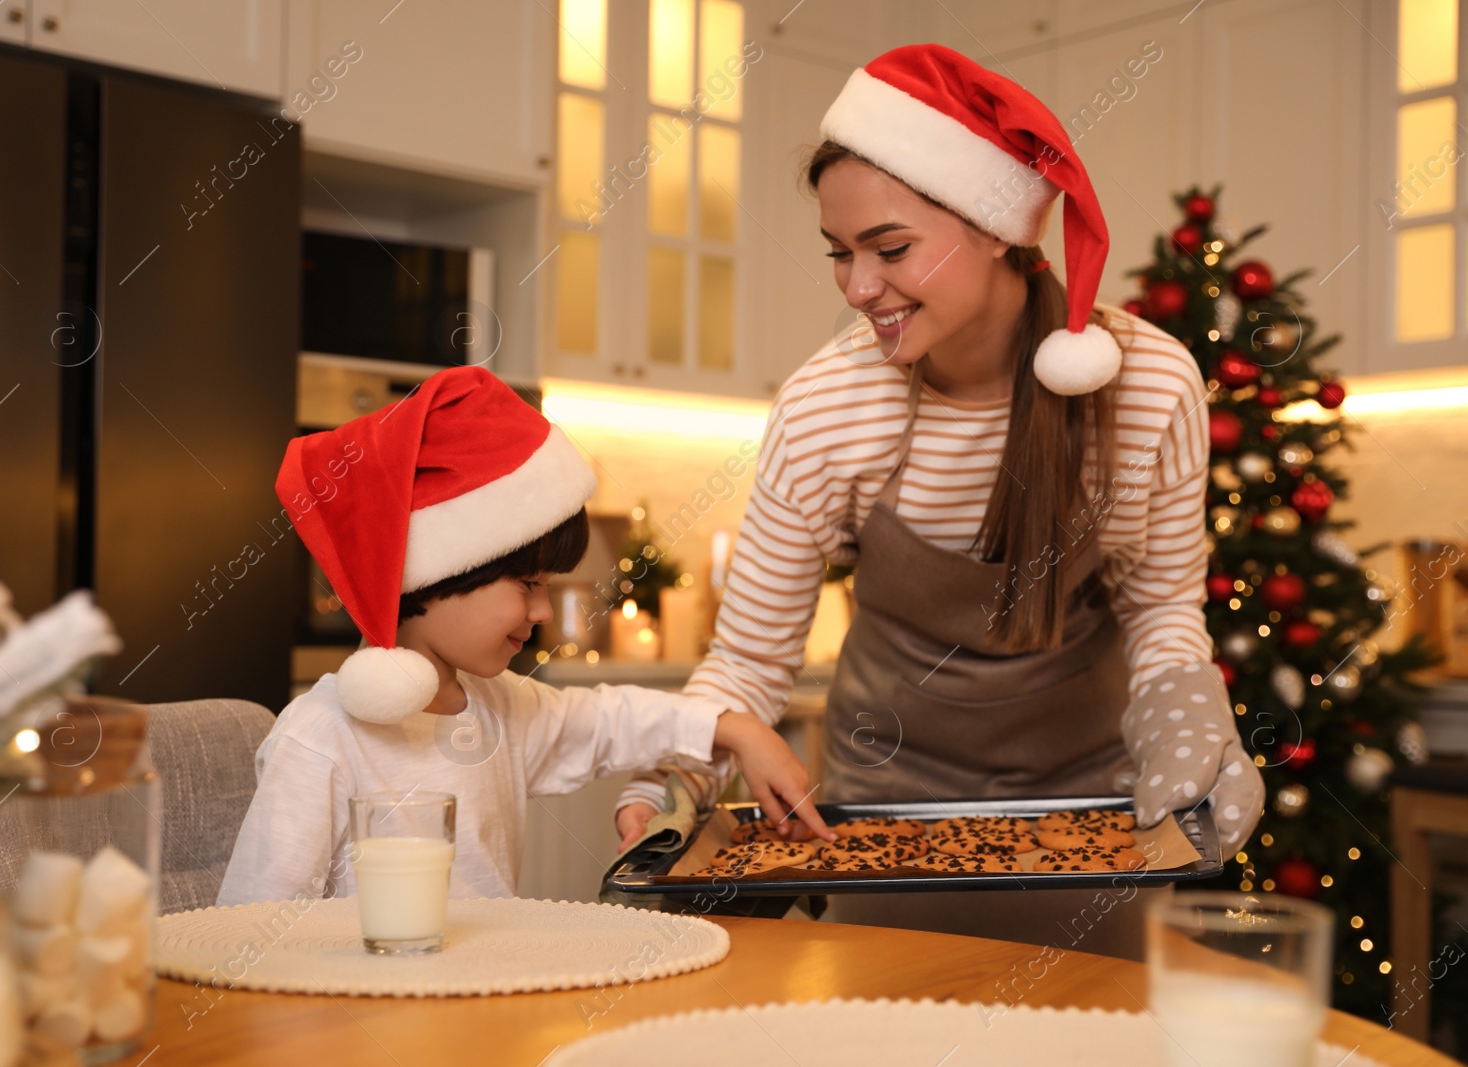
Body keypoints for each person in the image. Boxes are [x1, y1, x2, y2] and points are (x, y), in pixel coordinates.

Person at [613, 44, 1264, 957]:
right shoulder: (827, 406)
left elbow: (1159, 607)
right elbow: (749, 661)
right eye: (840, 254)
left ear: (998, 225)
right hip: (880, 821)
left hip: (1094, 822)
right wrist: (671, 777)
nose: (858, 288)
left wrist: (1186, 717)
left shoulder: (1149, 385)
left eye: (891, 249)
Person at [218, 367, 829, 906]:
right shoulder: (320, 737)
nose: (541, 611)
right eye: (528, 583)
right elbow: (252, 932)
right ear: (441, 570)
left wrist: (738, 728)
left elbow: (609, 720)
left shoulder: (500, 707)